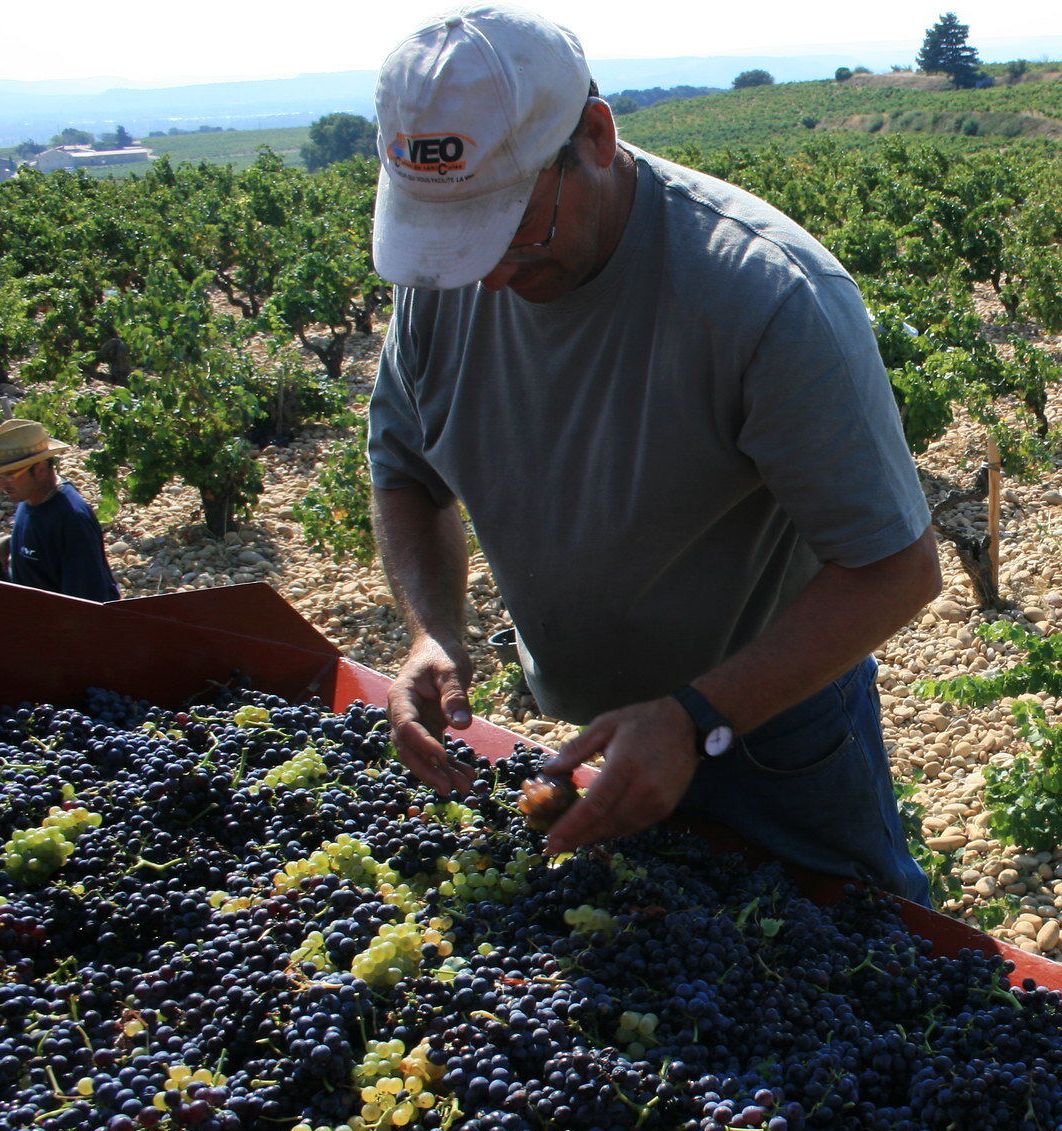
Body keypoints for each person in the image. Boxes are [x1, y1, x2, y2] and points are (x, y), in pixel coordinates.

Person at [364, 4, 939, 904]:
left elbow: (899, 568)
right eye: (454, 240)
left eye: (508, 228)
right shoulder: (449, 288)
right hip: (595, 730)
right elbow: (404, 468)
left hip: (772, 738)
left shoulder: (767, 298)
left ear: (593, 136)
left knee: (860, 975)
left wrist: (697, 719)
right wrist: (431, 631)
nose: (486, 275)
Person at [0, 419, 120, 603]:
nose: (1, 486)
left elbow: (86, 607)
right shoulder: (32, 497)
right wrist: (9, 544)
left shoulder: (71, 521)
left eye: (10, 475)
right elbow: (45, 542)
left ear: (40, 469)